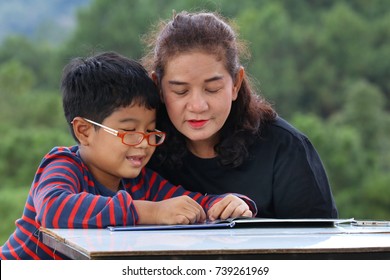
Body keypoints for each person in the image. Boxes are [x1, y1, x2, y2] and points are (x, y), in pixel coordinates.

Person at [0, 51, 256, 260]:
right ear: (84, 131)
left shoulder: (142, 182)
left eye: (150, 130)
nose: (143, 144)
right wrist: (151, 213)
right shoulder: (63, 165)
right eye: (129, 131)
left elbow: (190, 204)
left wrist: (228, 204)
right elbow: (55, 210)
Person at [142, 11, 338, 219]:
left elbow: (316, 243)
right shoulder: (143, 148)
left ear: (236, 83)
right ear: (159, 87)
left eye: (213, 88)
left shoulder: (285, 148)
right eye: (181, 91)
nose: (197, 106)